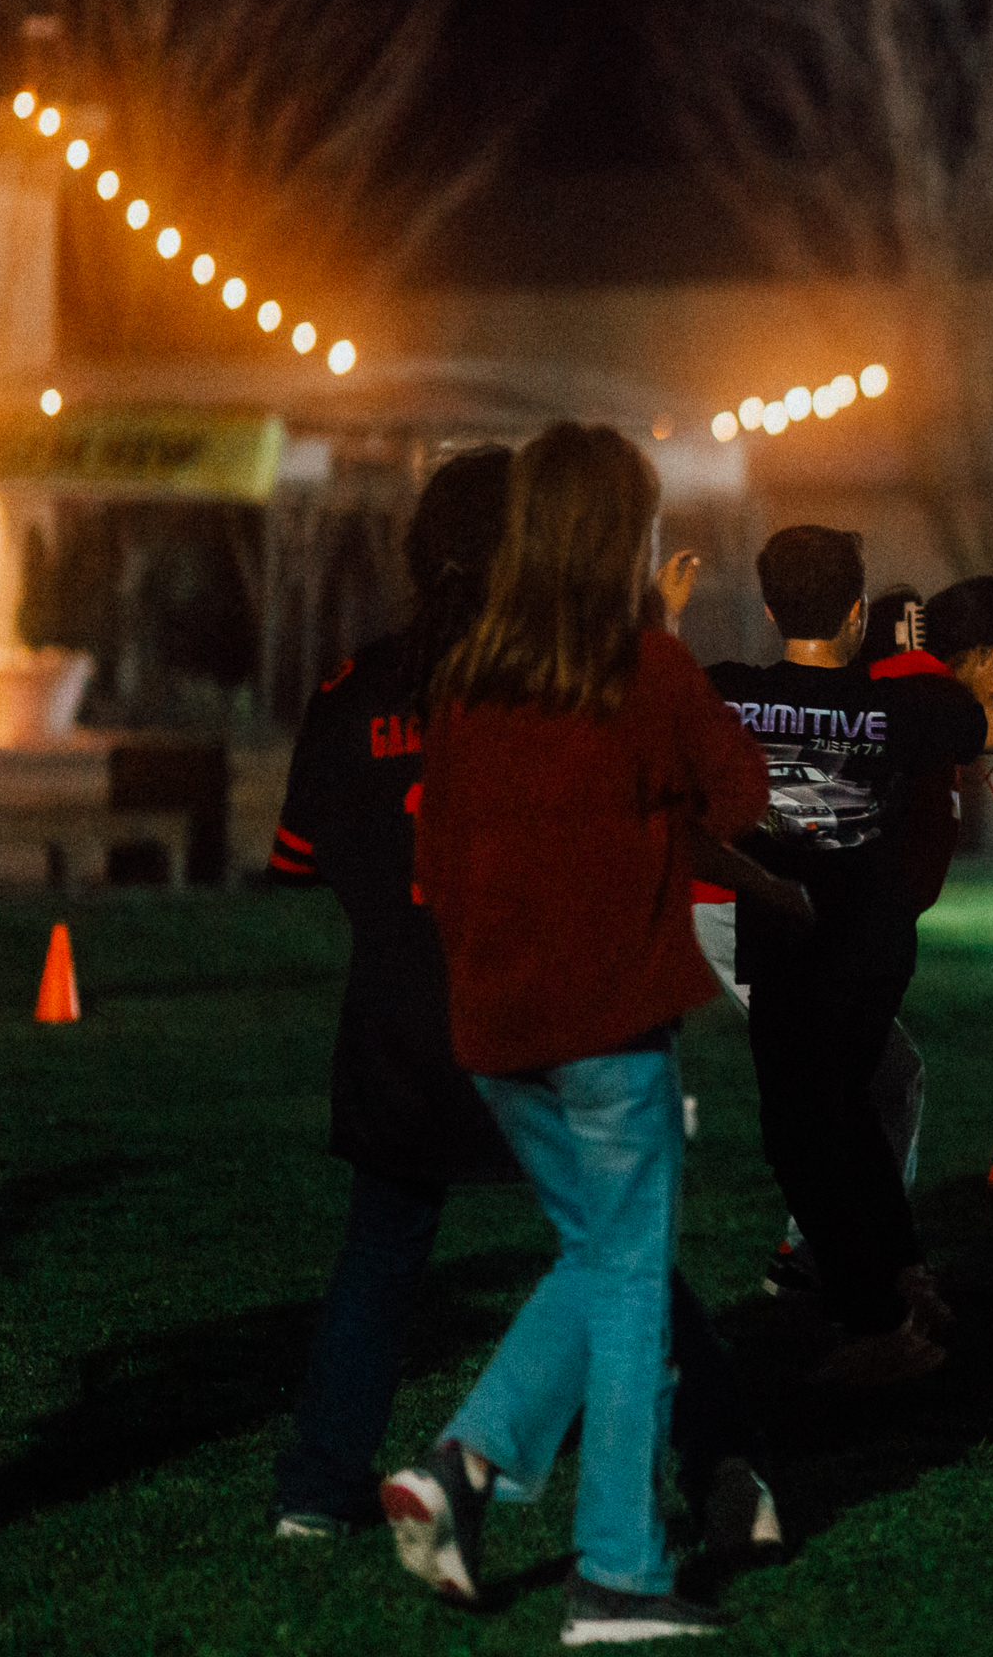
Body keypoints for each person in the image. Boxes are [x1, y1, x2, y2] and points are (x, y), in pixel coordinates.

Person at [268, 450, 775, 1560]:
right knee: (624, 1250)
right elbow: (714, 794)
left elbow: (302, 857)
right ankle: (711, 1474)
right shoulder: (569, 678)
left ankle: (321, 1482)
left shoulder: (358, 688)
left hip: (404, 1027)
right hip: (552, 1010)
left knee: (387, 1248)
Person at [711, 527, 993, 1385]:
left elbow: (638, 704)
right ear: (858, 613)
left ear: (770, 609)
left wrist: (661, 613)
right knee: (850, 1122)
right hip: (872, 949)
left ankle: (879, 1323)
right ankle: (903, 1284)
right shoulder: (902, 706)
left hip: (786, 944)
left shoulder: (732, 694)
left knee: (805, 1139)